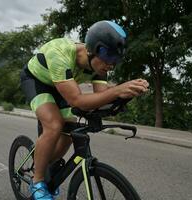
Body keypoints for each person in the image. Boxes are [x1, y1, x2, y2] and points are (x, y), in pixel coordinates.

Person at [20, 20, 149, 200]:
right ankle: (38, 181)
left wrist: (125, 95)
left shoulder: (100, 66)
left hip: (61, 86)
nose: (111, 65)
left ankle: (44, 162)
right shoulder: (61, 53)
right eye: (109, 58)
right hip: (37, 81)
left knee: (71, 128)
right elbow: (77, 100)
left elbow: (101, 99)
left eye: (116, 60)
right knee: (54, 125)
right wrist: (118, 89)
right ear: (92, 50)